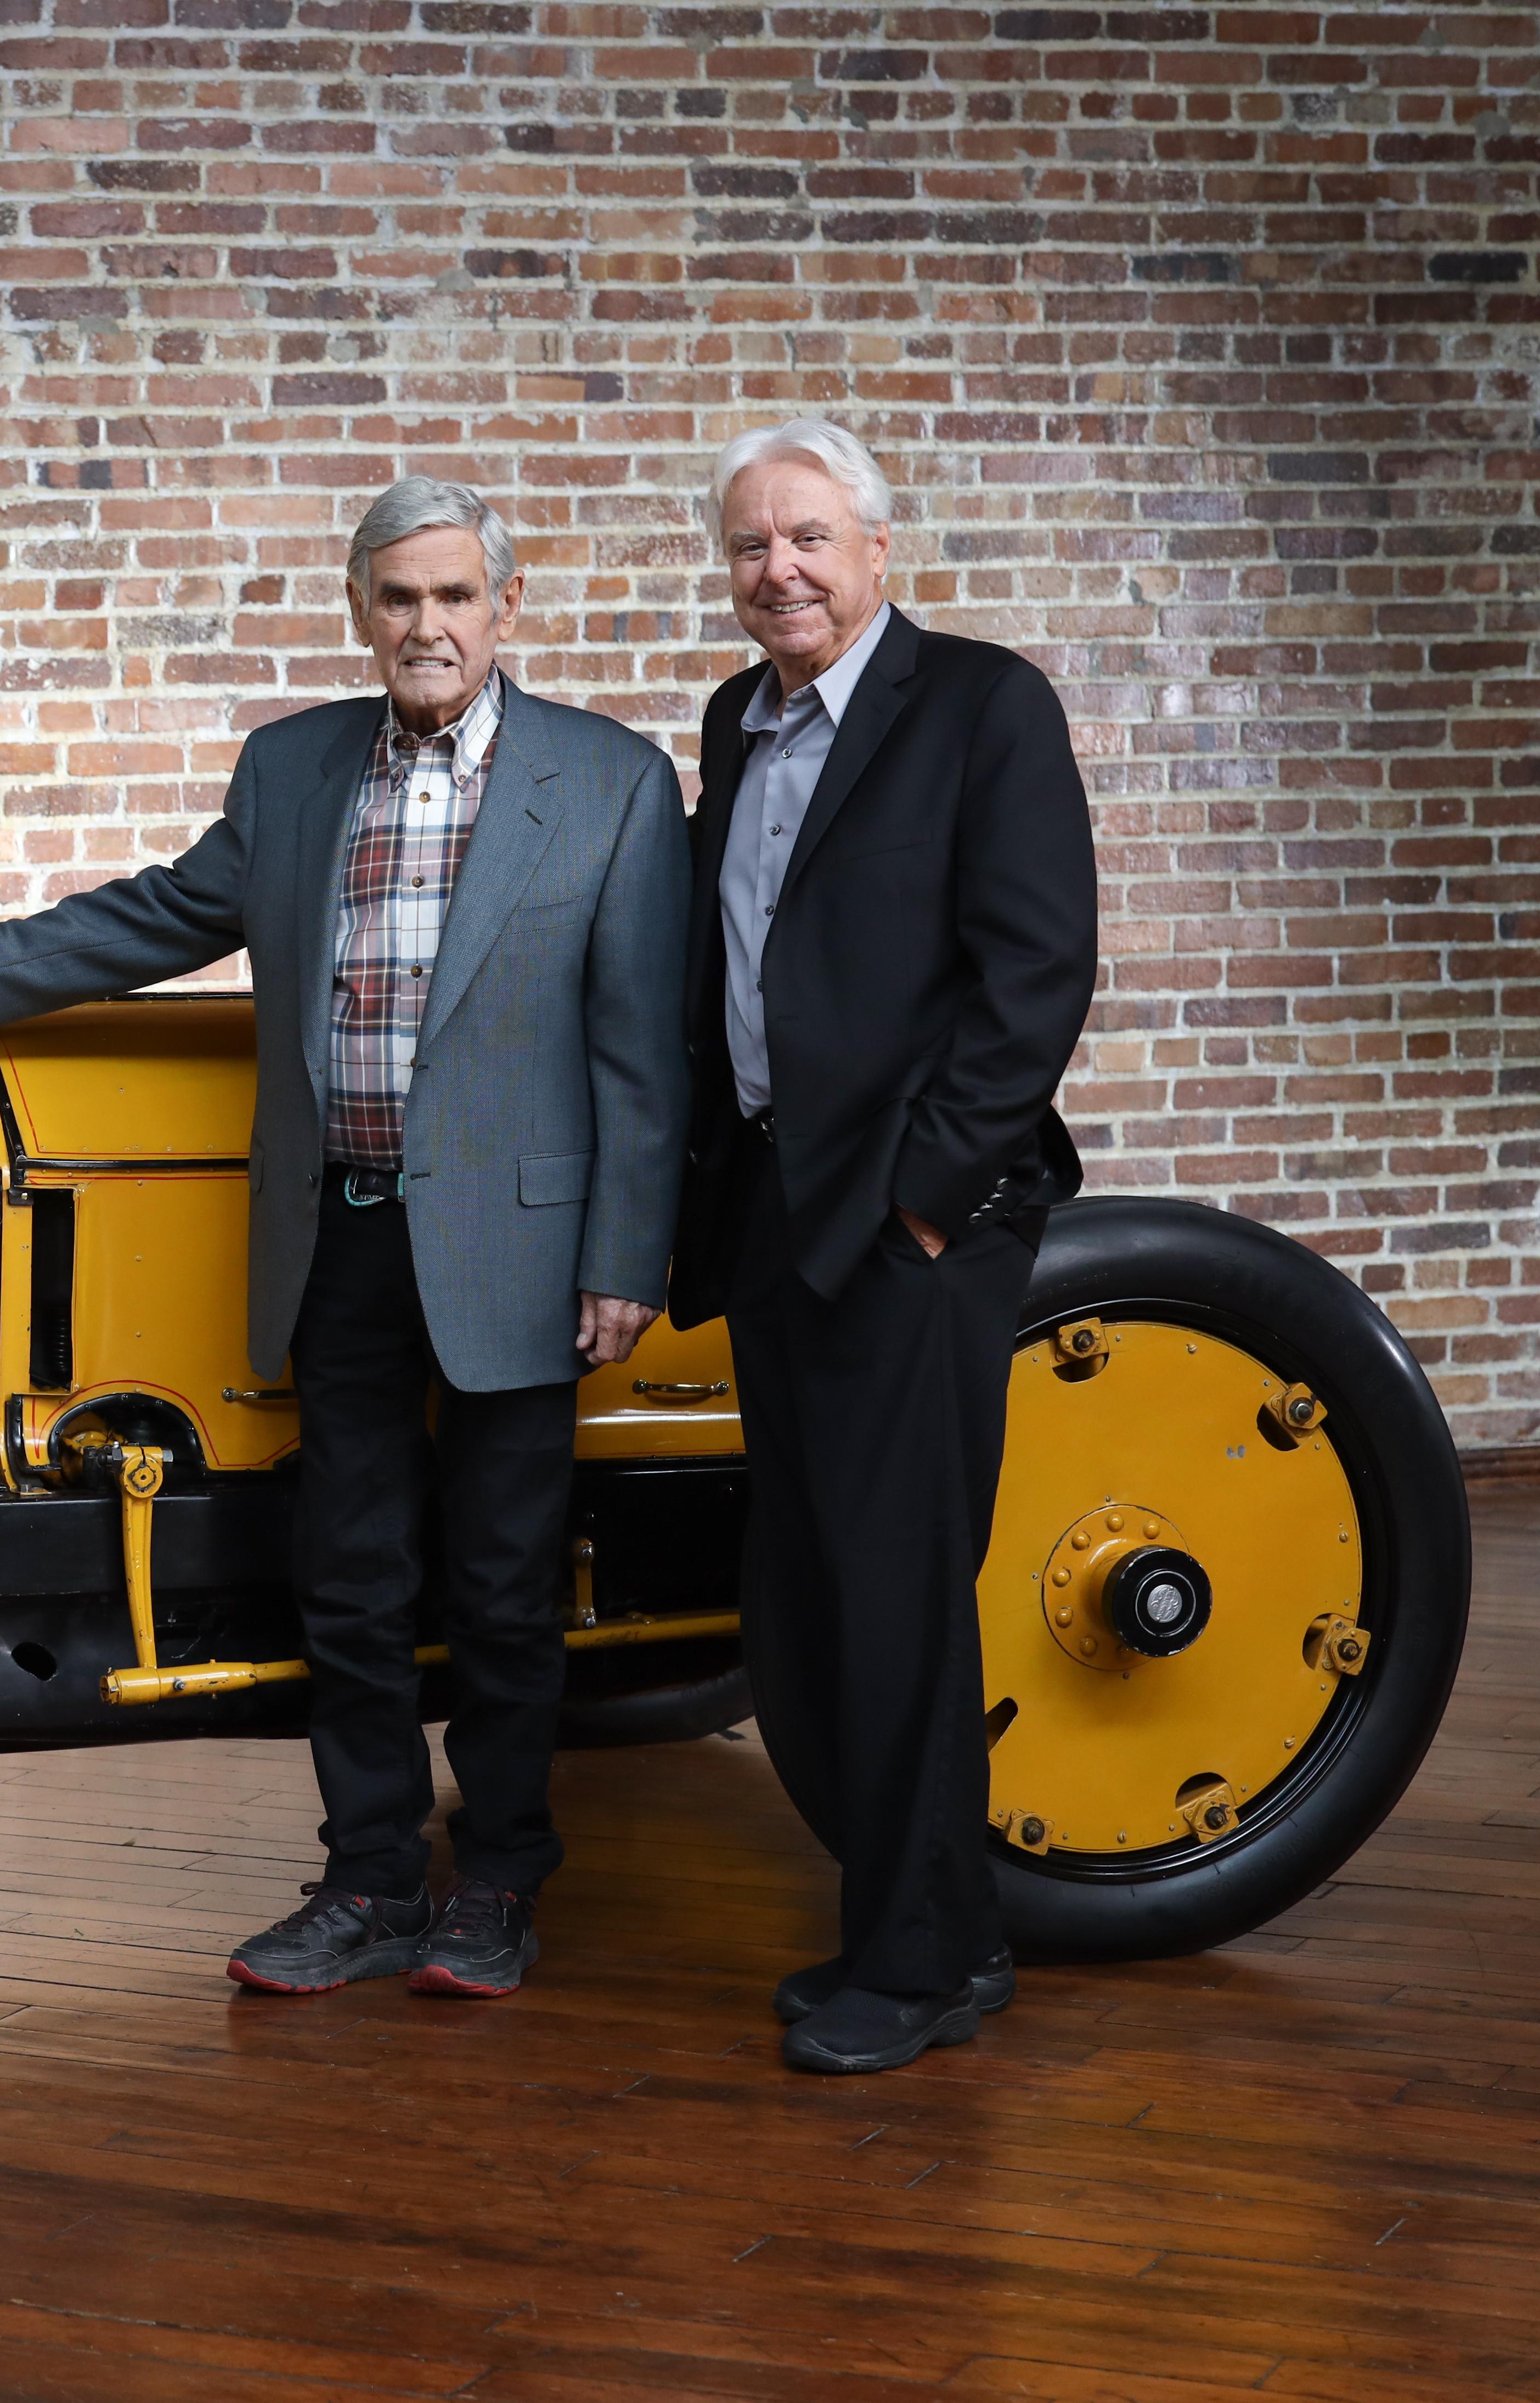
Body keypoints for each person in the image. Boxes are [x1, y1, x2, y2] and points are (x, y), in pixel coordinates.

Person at [0, 478, 689, 2001]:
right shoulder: (295, 769)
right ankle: (368, 1879)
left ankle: (495, 1879)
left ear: (505, 609)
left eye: (454, 596)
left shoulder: (612, 780)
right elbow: (164, 915)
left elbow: (644, 1042)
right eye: (398, 599)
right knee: (349, 1576)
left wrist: (626, 1249)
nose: (427, 625)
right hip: (341, 1237)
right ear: (361, 611)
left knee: (501, 1583)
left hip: (520, 1248)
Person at [665, 421, 1098, 2075]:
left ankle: (913, 1965)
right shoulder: (735, 717)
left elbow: (1032, 976)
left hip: (910, 1224)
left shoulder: (979, 706)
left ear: (872, 546)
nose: (776, 569)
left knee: (899, 1593)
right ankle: (929, 1924)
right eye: (747, 546)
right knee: (809, 1594)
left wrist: (922, 1198)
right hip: (775, 1207)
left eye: (805, 538)